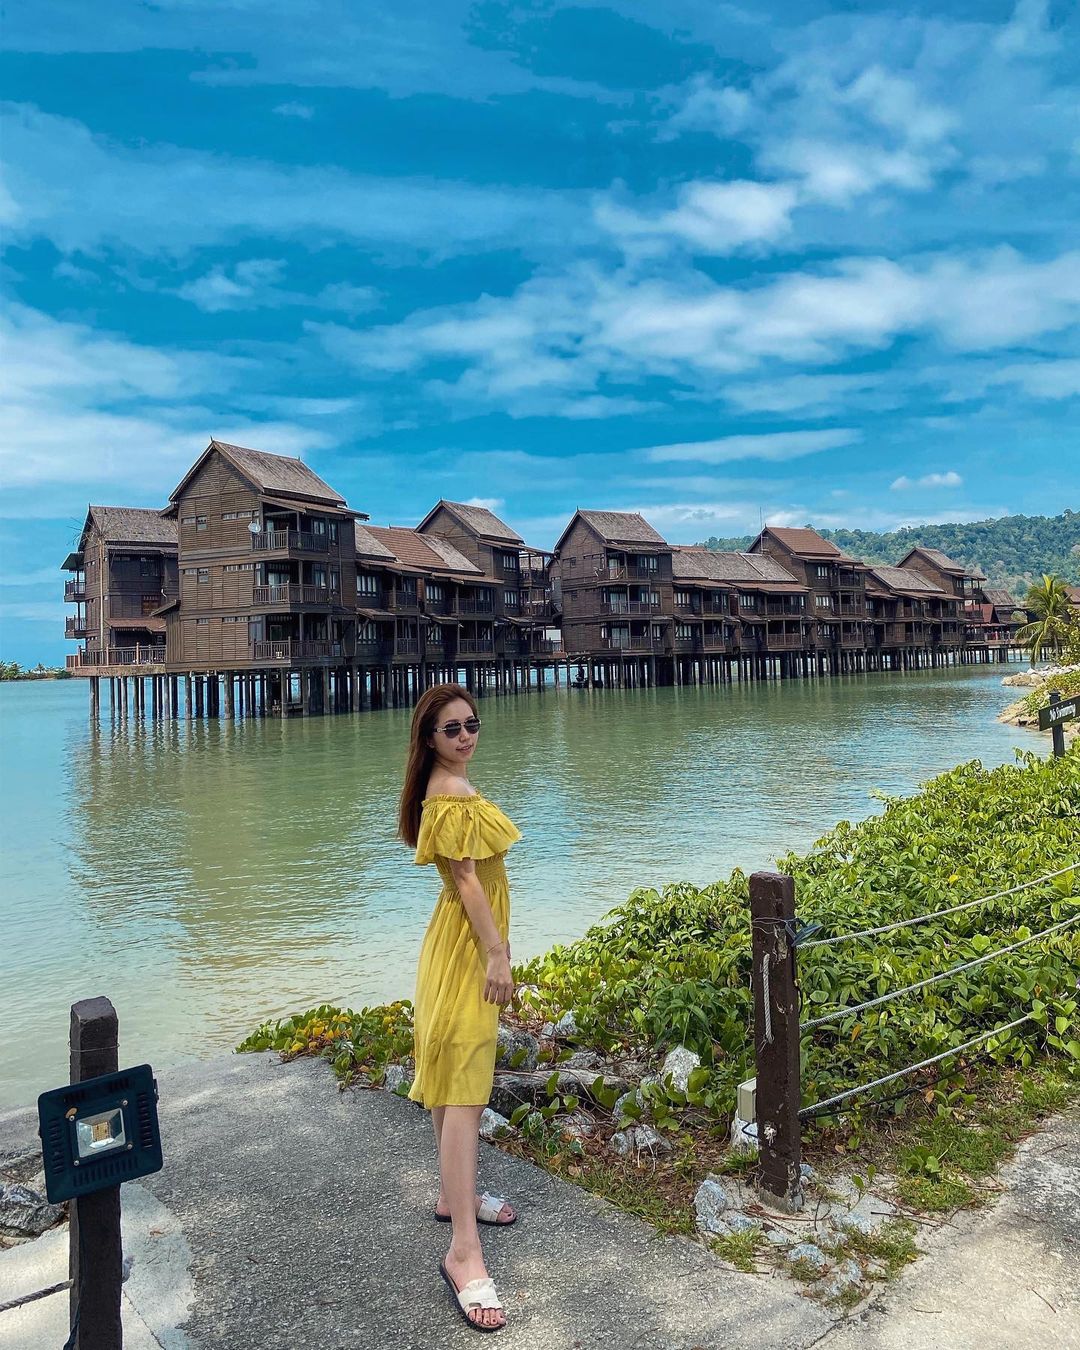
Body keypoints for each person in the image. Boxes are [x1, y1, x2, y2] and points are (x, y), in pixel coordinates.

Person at [398, 682, 522, 1334]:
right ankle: (463, 1253)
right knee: (466, 1088)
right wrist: (497, 954)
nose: (466, 736)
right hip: (466, 950)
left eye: (472, 723)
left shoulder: (454, 789)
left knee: (453, 1083)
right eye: (452, 729)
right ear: (429, 740)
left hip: (457, 941)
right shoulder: (447, 795)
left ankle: (455, 1197)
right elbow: (469, 880)